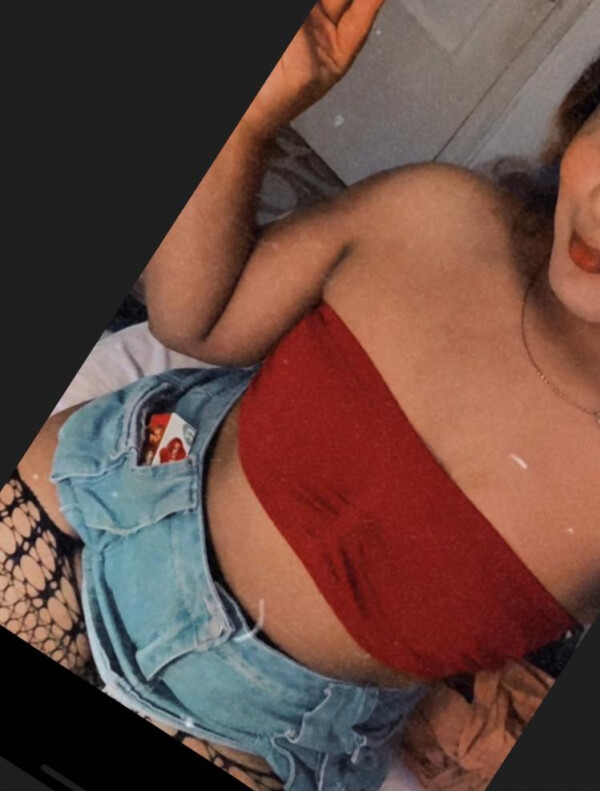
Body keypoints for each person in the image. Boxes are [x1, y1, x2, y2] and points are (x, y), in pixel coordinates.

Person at [4, 0, 600, 787]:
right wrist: (252, 119)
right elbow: (197, 320)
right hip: (114, 496)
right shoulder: (439, 218)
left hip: (260, 731)